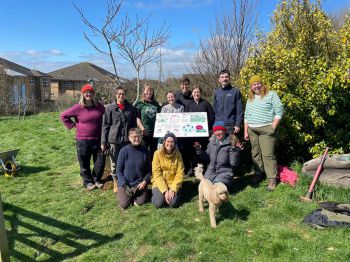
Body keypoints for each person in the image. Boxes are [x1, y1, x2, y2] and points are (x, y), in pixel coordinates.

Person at [60, 84, 105, 191]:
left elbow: (107, 116)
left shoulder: (99, 106)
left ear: (93, 94)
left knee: (100, 162)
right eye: (86, 92)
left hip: (98, 139)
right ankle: (87, 181)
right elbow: (63, 116)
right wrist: (73, 125)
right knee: (84, 162)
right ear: (83, 94)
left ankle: (96, 179)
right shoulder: (78, 107)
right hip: (83, 141)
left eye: (90, 92)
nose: (88, 94)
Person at [244, 75, 284, 191]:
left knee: (268, 155)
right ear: (251, 87)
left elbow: (279, 110)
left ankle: (272, 179)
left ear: (262, 84)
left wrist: (273, 127)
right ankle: (258, 174)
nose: (256, 86)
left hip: (267, 129)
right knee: (255, 153)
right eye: (253, 84)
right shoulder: (250, 98)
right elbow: (246, 115)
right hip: (252, 130)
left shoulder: (271, 94)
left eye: (258, 83)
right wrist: (246, 131)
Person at [101, 86, 137, 192]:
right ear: (116, 95)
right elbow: (105, 125)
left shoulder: (130, 108)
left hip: (127, 140)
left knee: (126, 161)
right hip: (114, 140)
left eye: (123, 94)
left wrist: (134, 138)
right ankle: (116, 181)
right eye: (119, 94)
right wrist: (103, 142)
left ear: (125, 95)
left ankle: (125, 180)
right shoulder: (110, 108)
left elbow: (133, 124)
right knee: (114, 162)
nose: (121, 95)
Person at [195, 121, 241, 187]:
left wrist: (235, 152)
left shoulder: (231, 144)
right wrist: (199, 150)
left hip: (225, 173)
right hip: (210, 173)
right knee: (204, 187)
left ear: (224, 131)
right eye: (215, 131)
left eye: (219, 130)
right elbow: (206, 157)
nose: (217, 133)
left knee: (218, 189)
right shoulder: (211, 143)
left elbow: (234, 164)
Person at [116, 128, 151, 209]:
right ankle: (123, 193)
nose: (137, 138)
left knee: (139, 203)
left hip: (139, 184)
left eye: (139, 136)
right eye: (134, 136)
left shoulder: (145, 151)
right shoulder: (124, 151)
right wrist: (125, 185)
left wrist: (144, 182)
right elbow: (118, 170)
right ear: (129, 138)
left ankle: (140, 194)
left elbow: (149, 170)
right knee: (124, 205)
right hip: (126, 183)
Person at [184, 85, 215, 176]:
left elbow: (212, 117)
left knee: (204, 150)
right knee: (193, 151)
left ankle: (205, 169)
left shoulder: (206, 103)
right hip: (192, 134)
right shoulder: (189, 104)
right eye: (194, 92)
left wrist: (208, 128)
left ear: (200, 93)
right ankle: (193, 169)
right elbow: (185, 117)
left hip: (204, 133)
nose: (196, 94)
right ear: (192, 93)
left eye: (198, 92)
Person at [151, 132, 184, 208]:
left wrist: (173, 189)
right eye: (168, 141)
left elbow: (180, 173)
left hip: (173, 183)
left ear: (175, 143)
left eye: (172, 142)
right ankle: (156, 196)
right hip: (159, 183)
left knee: (173, 204)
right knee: (159, 203)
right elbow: (156, 173)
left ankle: (176, 194)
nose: (170, 144)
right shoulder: (157, 154)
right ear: (164, 142)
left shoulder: (178, 155)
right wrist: (165, 191)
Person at [213, 69, 243, 134]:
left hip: (231, 126)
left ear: (229, 78)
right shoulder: (216, 92)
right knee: (219, 144)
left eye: (226, 77)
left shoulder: (235, 91)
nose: (224, 79)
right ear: (219, 79)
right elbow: (214, 110)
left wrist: (238, 125)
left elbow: (239, 111)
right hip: (218, 125)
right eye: (222, 77)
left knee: (231, 144)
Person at [135, 84, 161, 156]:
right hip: (144, 133)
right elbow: (137, 118)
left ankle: (152, 167)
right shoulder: (140, 104)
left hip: (154, 133)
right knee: (143, 153)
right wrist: (143, 129)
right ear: (144, 91)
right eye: (147, 90)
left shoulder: (156, 104)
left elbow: (159, 117)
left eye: (151, 91)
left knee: (154, 153)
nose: (149, 92)